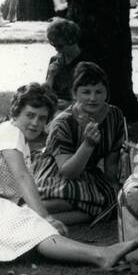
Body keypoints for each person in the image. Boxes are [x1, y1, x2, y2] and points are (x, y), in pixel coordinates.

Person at [0, 83, 138, 271]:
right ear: (15, 112)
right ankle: (101, 255)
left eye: (41, 118)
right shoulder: (9, 131)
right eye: (30, 115)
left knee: (28, 224)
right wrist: (45, 216)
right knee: (33, 224)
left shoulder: (20, 143)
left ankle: (100, 253)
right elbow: (21, 177)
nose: (35, 123)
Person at [31, 61, 128, 225]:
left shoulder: (115, 115)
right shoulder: (63, 122)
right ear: (75, 94)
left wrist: (115, 187)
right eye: (86, 92)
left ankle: (37, 219)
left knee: (109, 204)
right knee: (69, 197)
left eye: (99, 92)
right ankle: (28, 210)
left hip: (88, 172)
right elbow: (68, 172)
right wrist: (88, 144)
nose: (93, 98)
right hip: (56, 170)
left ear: (106, 93)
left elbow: (112, 163)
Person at [44, 17, 83, 102]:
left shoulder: (85, 63)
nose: (56, 49)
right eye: (54, 45)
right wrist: (51, 76)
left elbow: (90, 96)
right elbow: (45, 95)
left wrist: (69, 106)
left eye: (60, 46)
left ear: (72, 41)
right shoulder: (55, 60)